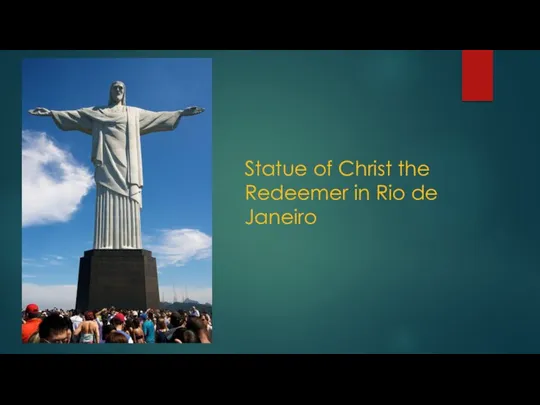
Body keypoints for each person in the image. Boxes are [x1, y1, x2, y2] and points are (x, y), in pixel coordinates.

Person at [28, 81, 204, 250]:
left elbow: (158, 116)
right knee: (105, 195)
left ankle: (131, 244)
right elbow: (75, 115)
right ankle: (104, 243)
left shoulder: (134, 113)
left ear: (124, 92)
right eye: (115, 87)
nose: (118, 89)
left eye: (121, 87)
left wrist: (180, 113)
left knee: (129, 194)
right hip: (105, 160)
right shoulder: (97, 112)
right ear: (110, 92)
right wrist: (51, 113)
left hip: (128, 163)